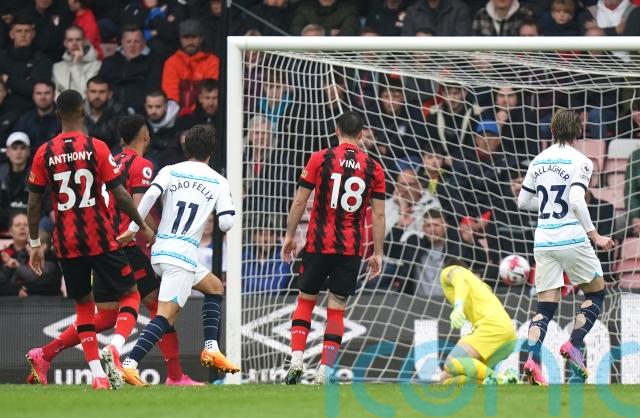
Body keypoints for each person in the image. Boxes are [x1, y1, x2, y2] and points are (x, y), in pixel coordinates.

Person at [27, 115, 202, 386]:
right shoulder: (142, 165)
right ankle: (174, 375)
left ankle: (45, 353)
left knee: (107, 315)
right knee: (160, 308)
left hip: (102, 242)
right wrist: (152, 232)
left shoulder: (110, 158)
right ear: (146, 136)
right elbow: (140, 204)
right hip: (125, 246)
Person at [25, 89, 153, 390]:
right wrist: (142, 225)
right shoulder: (97, 147)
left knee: (85, 307)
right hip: (100, 237)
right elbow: (120, 194)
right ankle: (115, 349)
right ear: (83, 112)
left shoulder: (44, 152)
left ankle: (97, 375)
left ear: (58, 114)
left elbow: (33, 203)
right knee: (131, 295)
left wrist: (35, 244)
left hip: (67, 242)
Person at [115, 124, 239, 386]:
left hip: (161, 250)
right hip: (181, 257)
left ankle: (211, 348)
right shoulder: (218, 181)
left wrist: (133, 229)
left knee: (214, 287)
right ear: (211, 151)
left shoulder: (169, 170)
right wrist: (228, 208)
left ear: (186, 148)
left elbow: (150, 195)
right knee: (165, 316)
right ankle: (129, 364)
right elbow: (226, 224)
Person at [281, 111, 386, 384]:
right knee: (336, 308)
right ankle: (324, 372)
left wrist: (290, 235)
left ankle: (296, 359)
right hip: (350, 249)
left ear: (336, 130)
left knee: (306, 300)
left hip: (318, 243)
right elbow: (378, 215)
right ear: (361, 135)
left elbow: (300, 202)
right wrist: (377, 252)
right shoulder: (374, 168)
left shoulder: (320, 158)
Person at [517, 109, 615, 385]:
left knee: (545, 305)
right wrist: (595, 235)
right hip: (571, 238)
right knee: (596, 292)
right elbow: (575, 199)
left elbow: (523, 202)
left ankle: (532, 360)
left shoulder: (538, 160)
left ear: (551, 131)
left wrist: (549, 206)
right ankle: (574, 343)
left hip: (544, 240)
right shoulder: (581, 161)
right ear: (579, 132)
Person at [438, 260, 517, 384]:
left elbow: (459, 276)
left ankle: (501, 379)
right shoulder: (480, 284)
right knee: (445, 378)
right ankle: (500, 381)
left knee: (451, 363)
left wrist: (458, 306)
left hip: (491, 327)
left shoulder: (450, 271)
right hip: (508, 336)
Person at [98, 24, 162, 113]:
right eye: (128, 41)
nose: (132, 45)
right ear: (122, 42)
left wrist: (132, 110)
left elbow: (152, 90)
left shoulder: (153, 62)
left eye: (136, 42)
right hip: (110, 111)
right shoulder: (109, 62)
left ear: (143, 42)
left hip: (140, 112)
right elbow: (101, 87)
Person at [161, 19, 220, 117]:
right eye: (186, 37)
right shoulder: (171, 62)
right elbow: (171, 96)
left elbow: (211, 94)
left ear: (201, 38)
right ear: (180, 39)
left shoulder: (213, 62)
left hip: (206, 114)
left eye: (194, 37)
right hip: (177, 116)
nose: (190, 41)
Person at [0, 212, 62, 296]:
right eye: (18, 225)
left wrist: (28, 289)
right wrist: (14, 290)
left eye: (26, 225)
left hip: (41, 302)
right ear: (10, 231)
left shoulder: (48, 256)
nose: (22, 228)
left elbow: (53, 286)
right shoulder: (3, 255)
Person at [0, 14, 53, 111]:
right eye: (19, 31)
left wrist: (7, 80)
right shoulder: (2, 57)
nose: (23, 35)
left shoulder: (42, 60)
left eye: (27, 31)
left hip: (31, 111)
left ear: (33, 34)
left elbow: (36, 89)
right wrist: (24, 83)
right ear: (11, 34)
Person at [52, 26, 101, 98]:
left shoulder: (96, 65)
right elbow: (53, 94)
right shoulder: (56, 67)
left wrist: (75, 65)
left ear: (84, 42)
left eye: (78, 40)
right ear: (65, 43)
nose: (74, 43)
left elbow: (84, 91)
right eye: (70, 40)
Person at [83, 76, 128, 150]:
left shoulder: (119, 111)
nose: (97, 96)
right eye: (93, 91)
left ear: (110, 94)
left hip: (111, 155)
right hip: (83, 154)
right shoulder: (76, 111)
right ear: (86, 93)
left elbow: (121, 143)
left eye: (102, 92)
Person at [13, 80, 60, 150]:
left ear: (54, 95)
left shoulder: (63, 119)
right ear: (33, 96)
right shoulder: (24, 120)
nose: (43, 97)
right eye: (39, 93)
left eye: (47, 93)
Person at [0, 132, 30, 231]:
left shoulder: (36, 173)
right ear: (8, 152)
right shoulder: (1, 174)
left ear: (28, 152)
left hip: (29, 219)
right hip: (4, 218)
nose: (19, 152)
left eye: (22, 148)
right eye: (14, 148)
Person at [401, 0, 472, 36]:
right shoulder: (412, 11)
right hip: (420, 59)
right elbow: (406, 44)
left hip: (452, 59)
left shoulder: (459, 9)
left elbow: (463, 42)